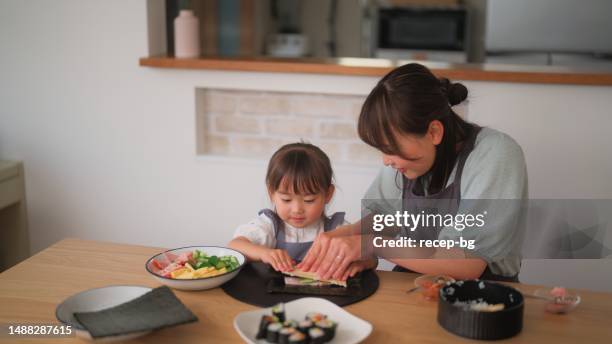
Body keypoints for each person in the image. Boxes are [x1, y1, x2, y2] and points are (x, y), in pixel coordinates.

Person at [297, 63, 527, 282]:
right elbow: (387, 217)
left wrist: (370, 244)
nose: (386, 161)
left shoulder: (495, 154)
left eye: (391, 149)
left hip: (481, 297)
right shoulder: (410, 161)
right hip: (412, 284)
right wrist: (346, 235)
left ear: (434, 132)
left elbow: (467, 263)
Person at [229, 142, 377, 278]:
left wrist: (362, 263)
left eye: (309, 200)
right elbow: (234, 246)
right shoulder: (269, 225)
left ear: (328, 194)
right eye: (286, 200)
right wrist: (265, 254)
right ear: (271, 193)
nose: (297, 209)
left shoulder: (337, 229)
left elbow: (372, 258)